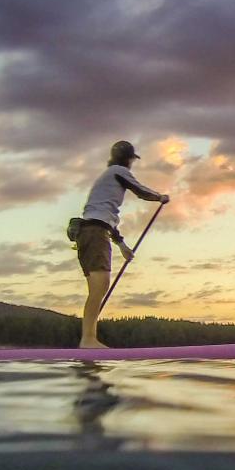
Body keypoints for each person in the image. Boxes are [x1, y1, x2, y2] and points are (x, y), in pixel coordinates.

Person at [74, 140, 169, 348]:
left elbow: (102, 218)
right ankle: (88, 340)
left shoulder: (107, 178)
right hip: (94, 234)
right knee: (99, 287)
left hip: (92, 232)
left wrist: (122, 246)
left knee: (98, 288)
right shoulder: (118, 171)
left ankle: (88, 339)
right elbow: (139, 190)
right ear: (128, 159)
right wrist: (159, 197)